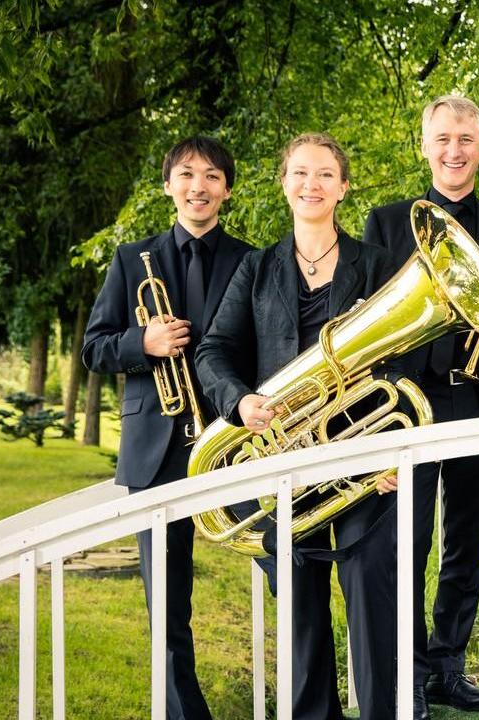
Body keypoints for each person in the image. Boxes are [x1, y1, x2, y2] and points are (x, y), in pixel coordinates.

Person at [195, 132, 399, 720]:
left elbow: (404, 362)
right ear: (284, 183)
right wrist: (240, 402)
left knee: (371, 596)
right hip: (279, 455)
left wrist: (392, 453)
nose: (312, 185)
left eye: (325, 175)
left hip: (361, 455)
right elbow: (212, 352)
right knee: (300, 607)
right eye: (301, 174)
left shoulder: (378, 264)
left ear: (344, 187)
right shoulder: (255, 269)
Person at [361, 94, 479, 718]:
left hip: (478, 401)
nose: (454, 150)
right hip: (404, 405)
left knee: (468, 542)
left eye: (466, 139)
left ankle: (447, 667)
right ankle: (407, 676)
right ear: (424, 146)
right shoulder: (384, 222)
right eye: (443, 139)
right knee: (407, 541)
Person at [82, 135, 252, 720]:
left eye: (210, 176)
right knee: (166, 601)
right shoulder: (133, 260)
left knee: (288, 563)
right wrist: (143, 342)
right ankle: (186, 713)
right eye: (186, 174)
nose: (198, 186)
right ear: (168, 185)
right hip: (157, 449)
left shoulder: (251, 259)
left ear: (227, 189)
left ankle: (315, 699)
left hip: (237, 443)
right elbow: (94, 348)